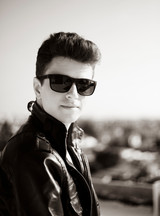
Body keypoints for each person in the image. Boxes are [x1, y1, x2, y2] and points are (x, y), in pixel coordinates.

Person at [0, 32, 101, 216]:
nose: (73, 94)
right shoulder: (31, 152)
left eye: (84, 84)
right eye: (61, 82)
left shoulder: (72, 142)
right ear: (38, 88)